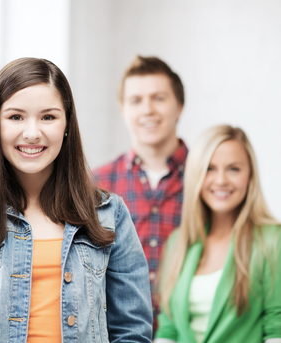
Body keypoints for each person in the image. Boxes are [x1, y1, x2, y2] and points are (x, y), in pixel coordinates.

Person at [0, 57, 153, 342]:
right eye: (15, 117)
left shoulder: (109, 214)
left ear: (67, 123)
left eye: (48, 117)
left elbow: (132, 331)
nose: (32, 133)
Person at [155, 125, 281, 343]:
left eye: (233, 169)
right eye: (210, 168)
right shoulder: (177, 243)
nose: (221, 180)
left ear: (250, 176)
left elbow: (279, 330)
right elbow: (168, 330)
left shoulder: (277, 240)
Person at [93, 56, 187, 329]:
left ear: (179, 106)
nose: (148, 110)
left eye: (159, 98)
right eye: (136, 100)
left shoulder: (210, 179)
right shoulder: (96, 184)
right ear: (123, 109)